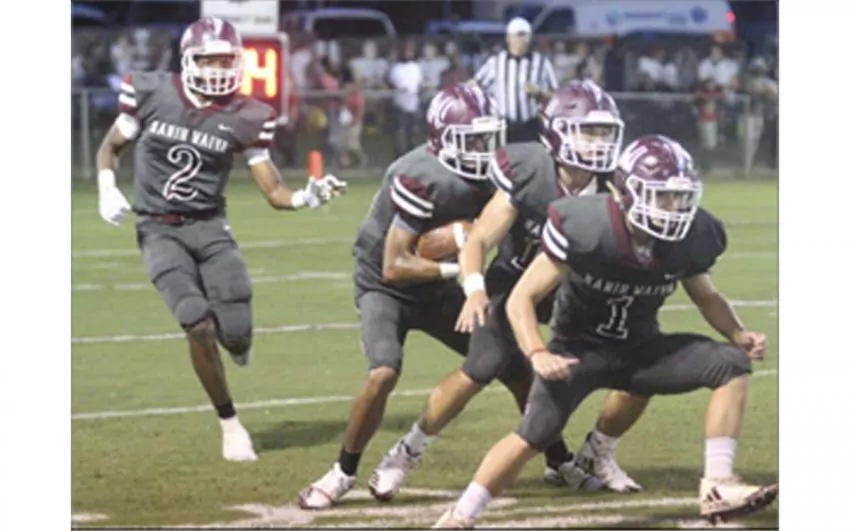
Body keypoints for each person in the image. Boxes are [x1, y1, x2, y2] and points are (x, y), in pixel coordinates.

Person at [434, 135, 778, 528]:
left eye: (680, 197)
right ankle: (460, 515)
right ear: (627, 193)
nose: (673, 207)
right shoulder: (586, 226)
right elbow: (521, 298)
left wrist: (737, 333)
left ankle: (717, 484)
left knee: (730, 364)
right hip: (578, 352)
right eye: (662, 196)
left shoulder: (692, 236)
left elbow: (706, 295)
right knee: (535, 433)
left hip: (641, 349)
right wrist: (537, 352)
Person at [370, 81, 649, 501]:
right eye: (588, 132)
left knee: (640, 363)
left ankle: (598, 453)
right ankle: (405, 452)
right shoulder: (529, 169)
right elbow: (480, 239)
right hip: (516, 280)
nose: (599, 143)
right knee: (481, 366)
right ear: (558, 132)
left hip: (578, 290)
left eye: (605, 133)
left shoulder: (618, 187)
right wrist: (474, 288)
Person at [94, 17, 346, 463]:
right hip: (158, 227)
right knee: (196, 323)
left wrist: (306, 196)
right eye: (208, 60)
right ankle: (230, 423)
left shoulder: (247, 115)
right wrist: (107, 186)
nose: (217, 69)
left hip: (210, 227)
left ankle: (238, 345)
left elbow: (273, 191)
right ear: (188, 61)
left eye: (225, 60)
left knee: (236, 334)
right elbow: (110, 147)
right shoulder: (152, 92)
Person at [297, 84, 506, 509]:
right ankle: (341, 472)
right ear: (444, 138)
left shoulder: (487, 176)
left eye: (486, 138)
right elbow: (395, 265)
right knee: (383, 372)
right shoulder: (419, 176)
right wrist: (460, 270)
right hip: (385, 286)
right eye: (472, 140)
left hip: (434, 288)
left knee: (509, 359)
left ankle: (559, 459)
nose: (482, 150)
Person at [473, 17, 558, 143]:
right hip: (504, 125)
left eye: (525, 35)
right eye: (518, 35)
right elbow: (475, 85)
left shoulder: (541, 62)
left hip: (531, 124)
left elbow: (556, 96)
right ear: (508, 38)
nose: (521, 40)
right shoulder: (496, 62)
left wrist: (540, 93)